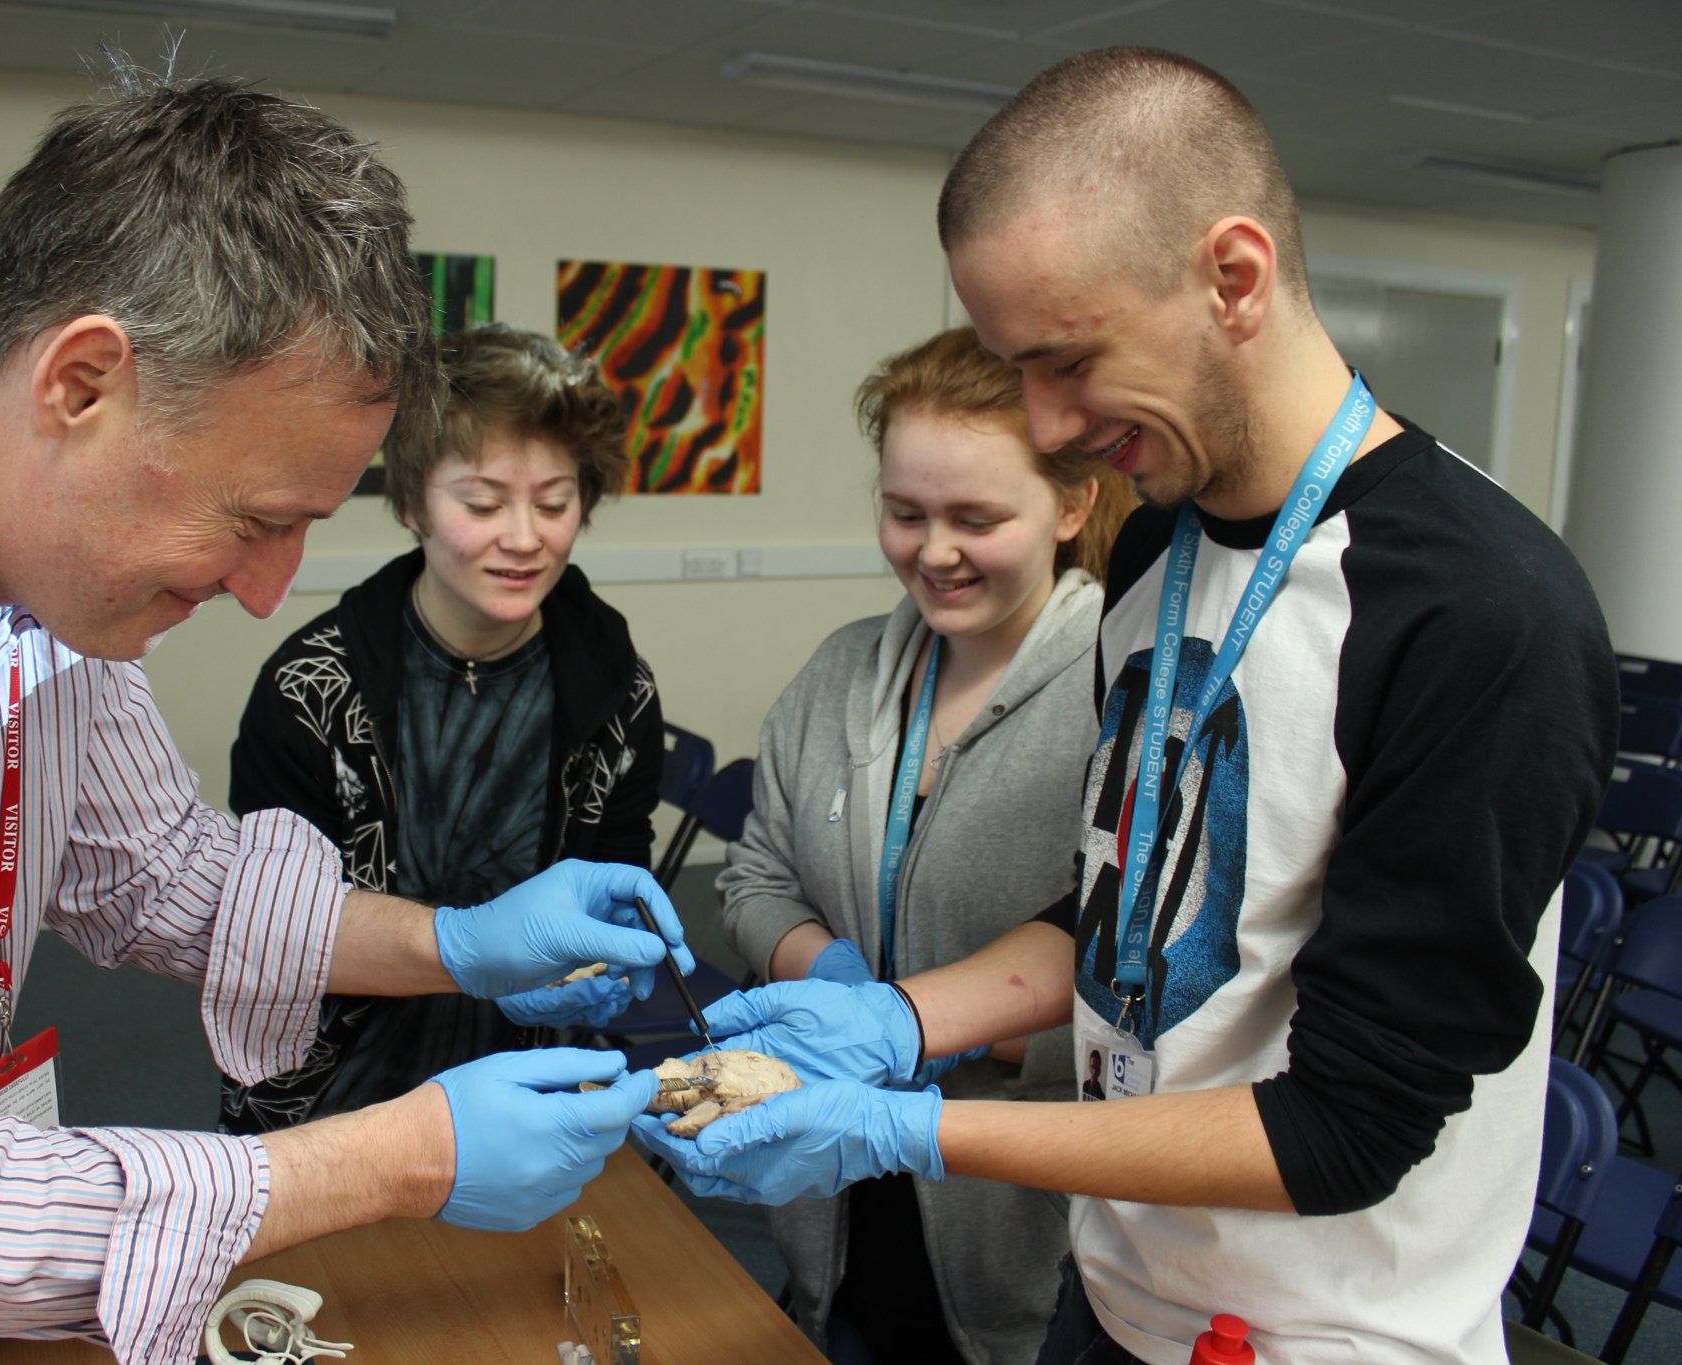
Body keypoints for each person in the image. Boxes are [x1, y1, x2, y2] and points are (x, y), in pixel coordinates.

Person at [0, 71, 694, 1365]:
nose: (263, 595)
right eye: (255, 522)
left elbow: (156, 872)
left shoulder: (36, 552)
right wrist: (404, 1153)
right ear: (82, 382)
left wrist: (459, 942)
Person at [636, 46, 1616, 1365]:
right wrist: (909, 1017)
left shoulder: (1478, 614)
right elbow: (1125, 908)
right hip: (1114, 1290)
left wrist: (911, 1125)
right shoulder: (1159, 548)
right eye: (1011, 367)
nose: (1044, 421)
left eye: (1068, 361)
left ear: (1234, 276)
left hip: (1324, 1334)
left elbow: (1346, 1127)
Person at [719, 327, 1132, 1364]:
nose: (931, 552)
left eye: (975, 518)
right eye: (904, 514)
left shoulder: (1119, 700)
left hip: (1017, 1229)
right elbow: (754, 875)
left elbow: (1138, 994)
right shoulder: (842, 671)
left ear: (1071, 506)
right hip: (839, 1215)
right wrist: (834, 982)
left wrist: (926, 1025)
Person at [222, 323, 662, 1129]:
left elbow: (614, 871)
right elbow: (275, 932)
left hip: (531, 1091)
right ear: (414, 499)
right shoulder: (310, 693)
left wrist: (609, 943)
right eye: (484, 503)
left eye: (555, 503)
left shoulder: (616, 690)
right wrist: (468, 962)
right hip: (335, 1107)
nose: (525, 538)